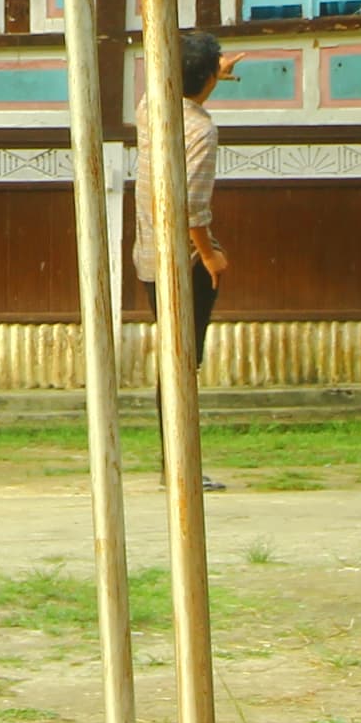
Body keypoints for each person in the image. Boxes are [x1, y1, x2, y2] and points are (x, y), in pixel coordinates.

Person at [138, 32, 236, 465]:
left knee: (173, 359)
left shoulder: (149, 110)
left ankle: (172, 462)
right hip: (186, 262)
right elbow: (191, 208)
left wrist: (213, 71)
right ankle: (180, 465)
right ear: (209, 75)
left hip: (149, 259)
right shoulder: (201, 129)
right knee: (183, 363)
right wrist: (211, 255)